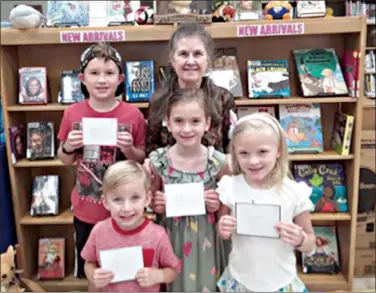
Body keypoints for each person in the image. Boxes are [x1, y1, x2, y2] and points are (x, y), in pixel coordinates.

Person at [57, 42, 146, 280]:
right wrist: (68, 146)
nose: (102, 80)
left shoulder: (133, 115)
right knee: (93, 273)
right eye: (94, 73)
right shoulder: (72, 113)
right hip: (87, 210)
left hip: (125, 210)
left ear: (120, 79)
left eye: (109, 73)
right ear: (82, 78)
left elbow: (141, 159)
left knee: (126, 272)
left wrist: (128, 149)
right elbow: (64, 159)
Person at [216, 112, 316, 292]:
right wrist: (222, 229)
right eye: (244, 153)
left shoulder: (293, 192)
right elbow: (222, 232)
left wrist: (300, 239)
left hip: (280, 281)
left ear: (278, 150)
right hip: (241, 280)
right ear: (235, 154)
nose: (253, 161)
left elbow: (311, 242)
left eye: (262, 152)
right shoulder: (230, 187)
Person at [148, 88, 229, 292]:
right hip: (171, 238)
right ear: (167, 122)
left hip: (206, 241)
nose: (186, 129)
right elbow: (150, 201)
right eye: (178, 121)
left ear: (207, 123)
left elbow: (227, 210)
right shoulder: (159, 162)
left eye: (195, 121)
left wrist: (218, 204)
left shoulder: (218, 162)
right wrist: (155, 203)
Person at [81, 161, 180, 292]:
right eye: (117, 200)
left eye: (135, 198)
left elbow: (173, 271)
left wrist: (158, 276)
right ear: (105, 202)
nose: (126, 208)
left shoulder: (158, 235)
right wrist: (93, 275)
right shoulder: (99, 231)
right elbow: (89, 263)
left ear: (147, 199)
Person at [146, 22, 236, 155]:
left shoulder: (223, 99)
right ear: (172, 60)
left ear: (208, 59)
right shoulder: (159, 101)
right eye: (183, 54)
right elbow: (151, 150)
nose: (190, 61)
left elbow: (232, 148)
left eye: (198, 54)